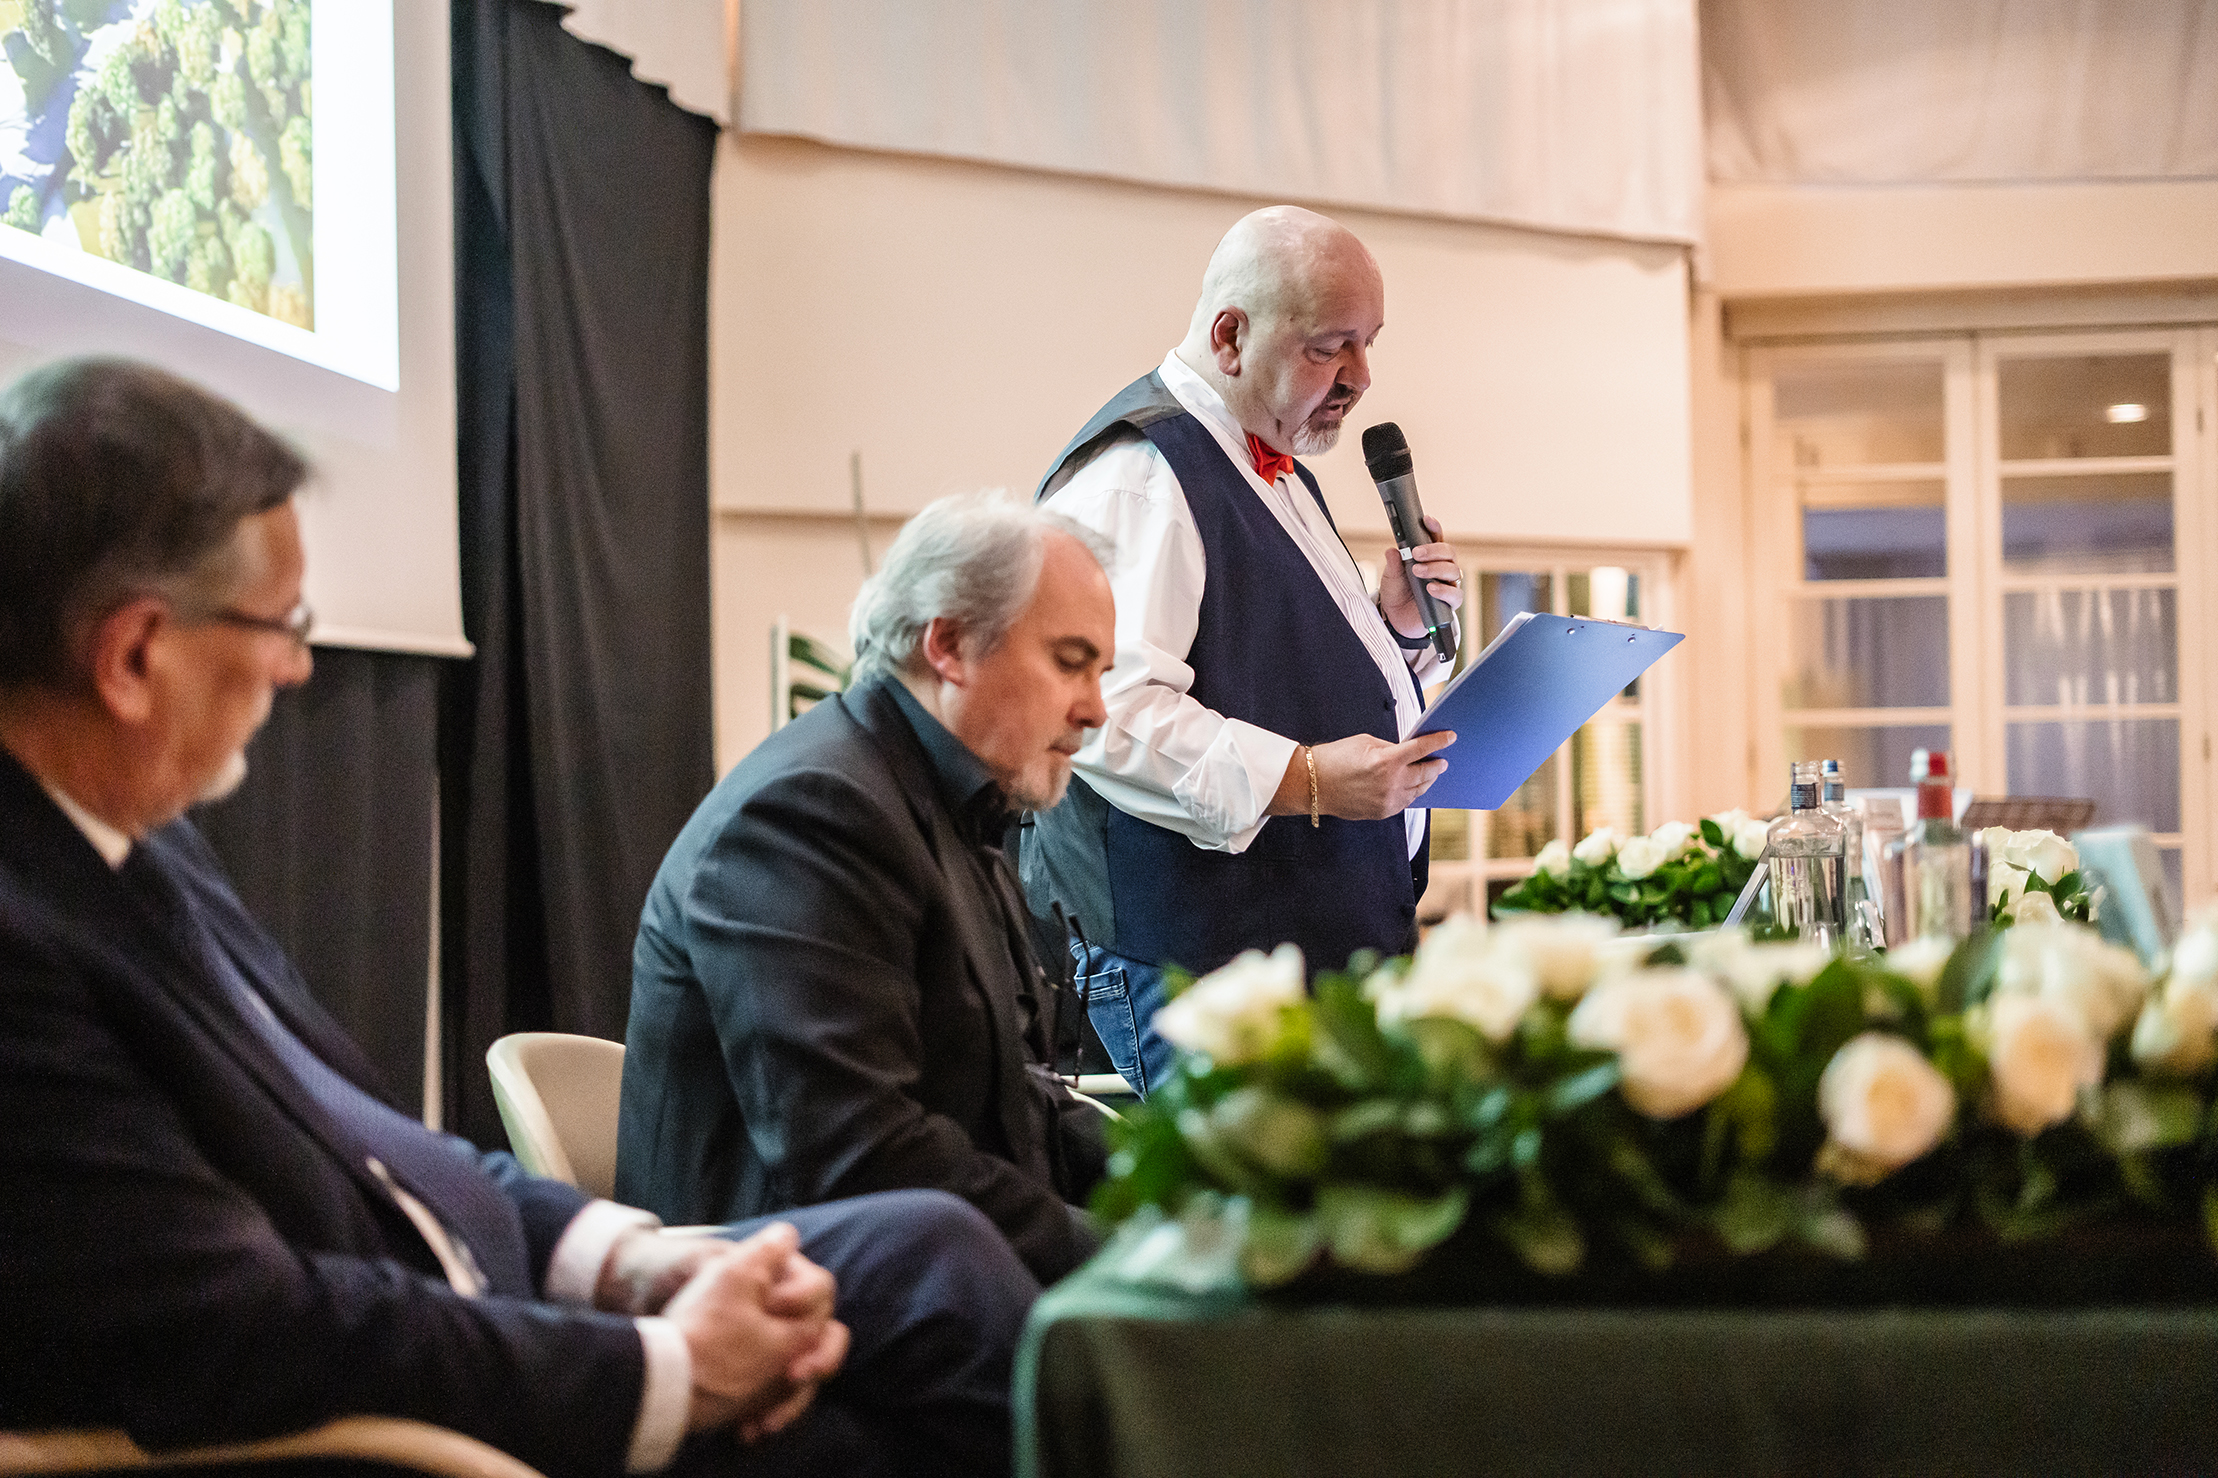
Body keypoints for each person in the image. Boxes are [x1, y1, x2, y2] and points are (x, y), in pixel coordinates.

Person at [0, 358, 1037, 1478]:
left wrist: (629, 1264)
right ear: (134, 655)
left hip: (474, 1309)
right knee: (921, 1413)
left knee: (933, 1255)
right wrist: (671, 1366)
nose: (297, 666)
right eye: (281, 622)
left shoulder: (141, 847)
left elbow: (375, 1144)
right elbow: (238, 1326)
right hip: (415, 1418)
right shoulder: (24, 948)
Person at [617, 492, 1115, 1285]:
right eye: (1069, 662)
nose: (1095, 710)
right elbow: (862, 1162)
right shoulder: (811, 812)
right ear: (949, 644)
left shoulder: (943, 799)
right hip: (793, 1307)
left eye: (1100, 672)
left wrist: (1189, 1180)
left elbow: (1016, 1107)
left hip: (919, 1270)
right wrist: (1126, 1255)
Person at [1025, 204, 1466, 1098]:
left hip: (1304, 946)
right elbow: (1107, 714)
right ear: (1230, 337)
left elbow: (1288, 671)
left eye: (1369, 344)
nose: (1361, 378)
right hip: (1198, 962)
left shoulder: (1274, 464)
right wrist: (1305, 779)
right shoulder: (1140, 476)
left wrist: (1400, 632)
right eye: (1330, 348)